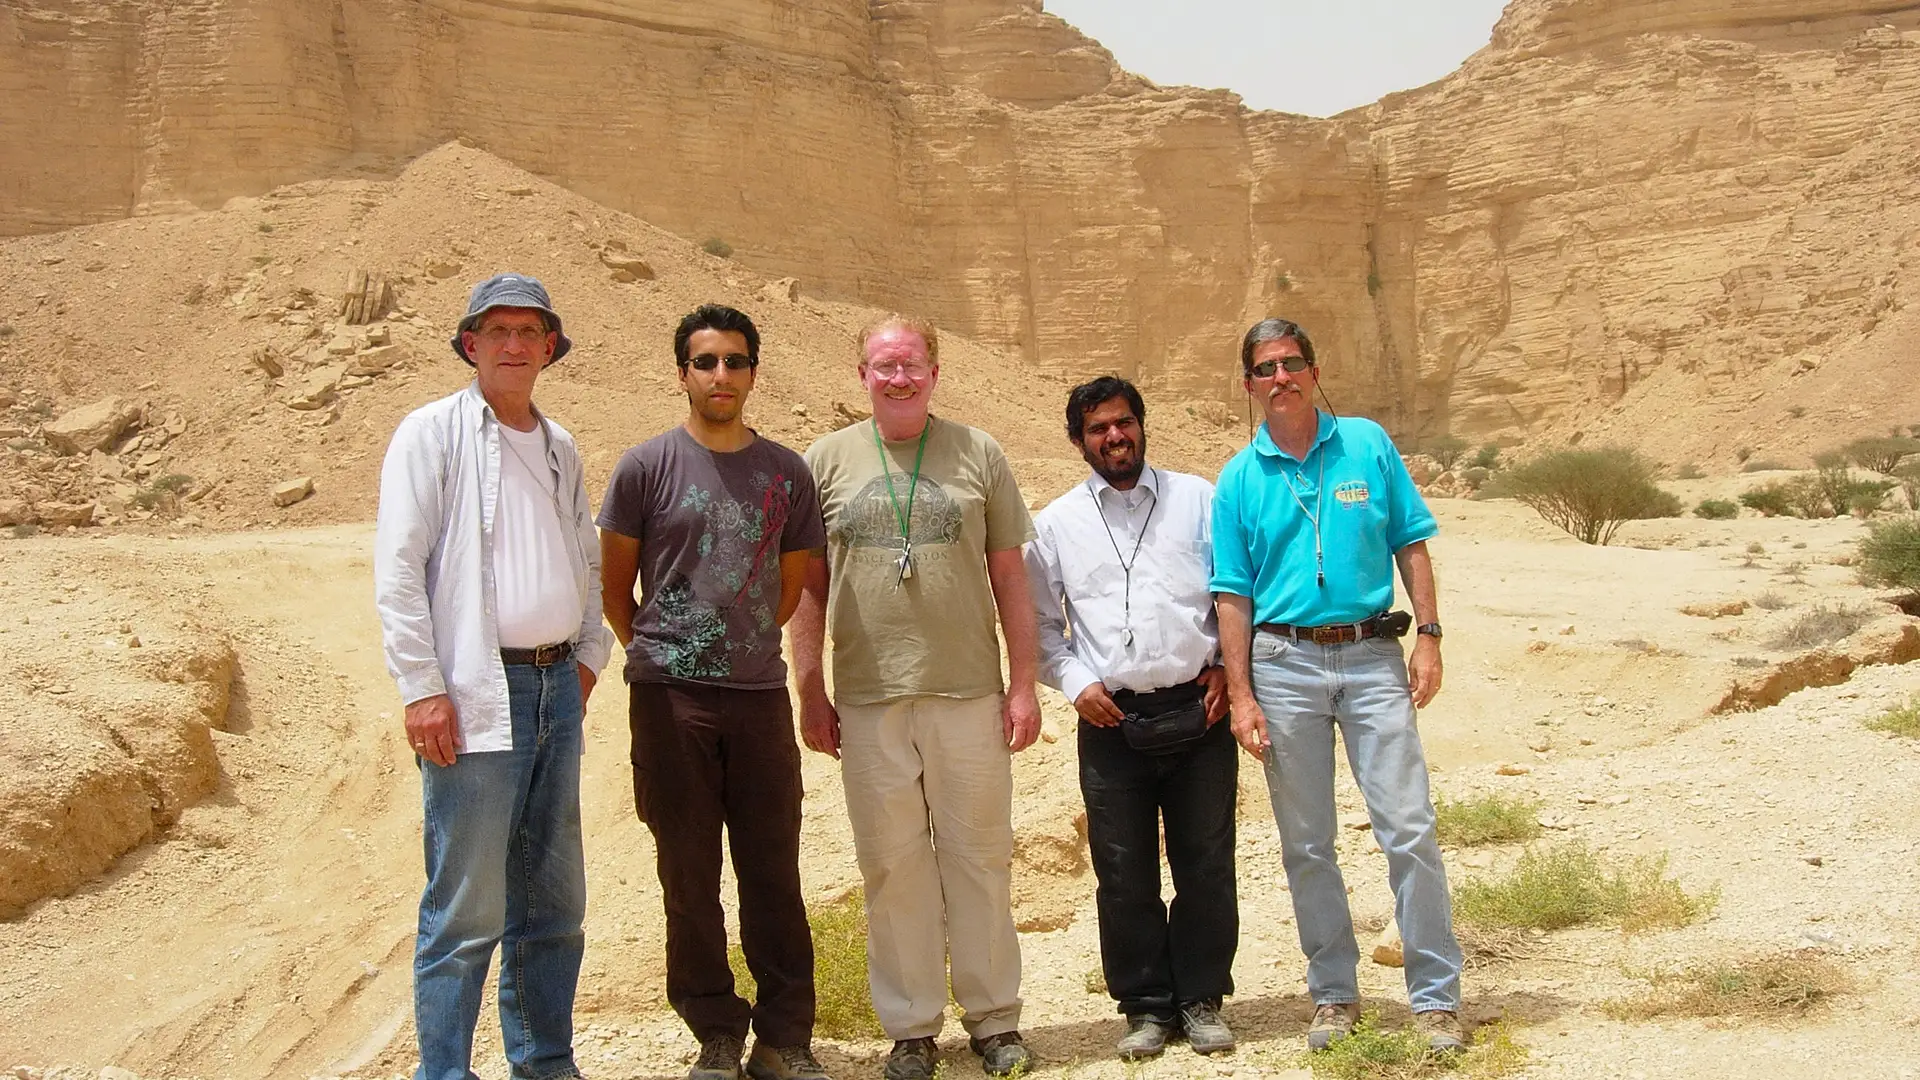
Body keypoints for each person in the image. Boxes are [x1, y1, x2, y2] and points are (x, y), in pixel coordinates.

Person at [374, 273, 613, 1080]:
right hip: (477, 693)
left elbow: (586, 556)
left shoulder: (558, 444)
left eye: (529, 332)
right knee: (467, 907)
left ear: (549, 348)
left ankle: (545, 1064)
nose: (514, 345)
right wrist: (422, 687)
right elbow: (399, 568)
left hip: (555, 691)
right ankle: (444, 1072)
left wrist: (585, 658)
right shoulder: (430, 433)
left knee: (554, 899)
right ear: (471, 345)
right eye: (497, 331)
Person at [790, 315, 1040, 1080]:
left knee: (980, 857)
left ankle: (995, 1020)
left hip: (967, 691)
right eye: (882, 366)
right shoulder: (824, 462)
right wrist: (810, 689)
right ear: (860, 373)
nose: (897, 378)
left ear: (935, 370)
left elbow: (1009, 577)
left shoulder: (979, 453)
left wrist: (1023, 682)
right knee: (892, 865)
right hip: (868, 700)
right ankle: (911, 1029)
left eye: (911, 365)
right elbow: (807, 588)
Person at [1210, 317, 1466, 1055]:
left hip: (1371, 656)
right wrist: (1243, 694)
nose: (1281, 377)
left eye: (1293, 363)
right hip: (1283, 666)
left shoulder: (1367, 445)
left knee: (1409, 826)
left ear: (1315, 371)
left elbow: (1409, 541)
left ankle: (1436, 997)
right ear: (1250, 384)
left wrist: (1432, 634)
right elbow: (1232, 594)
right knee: (1307, 843)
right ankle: (1333, 994)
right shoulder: (1239, 477)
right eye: (1266, 368)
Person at [597, 304, 829, 1080]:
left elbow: (793, 585)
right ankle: (717, 1034)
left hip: (759, 697)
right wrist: (667, 655)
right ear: (682, 374)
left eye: (735, 361)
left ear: (755, 373)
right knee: (688, 873)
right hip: (670, 701)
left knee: (773, 869)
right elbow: (616, 589)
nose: (720, 375)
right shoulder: (644, 468)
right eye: (706, 362)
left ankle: (785, 1037)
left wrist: (747, 643)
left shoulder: (786, 473)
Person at [1024, 376, 1239, 1061]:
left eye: (1123, 423)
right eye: (1097, 429)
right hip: (1111, 720)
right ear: (1078, 441)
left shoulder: (1199, 500)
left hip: (1199, 711)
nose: (1114, 437)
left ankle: (1201, 998)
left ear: (1143, 425)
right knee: (1123, 871)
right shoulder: (1055, 524)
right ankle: (1146, 1006)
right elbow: (1036, 626)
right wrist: (1075, 681)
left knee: (1205, 863)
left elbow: (1237, 592)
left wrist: (1230, 669)